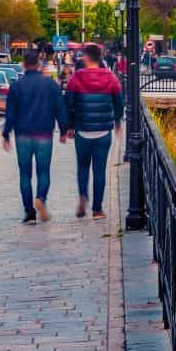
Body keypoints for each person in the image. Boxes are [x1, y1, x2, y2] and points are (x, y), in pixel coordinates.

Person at [2, 50, 69, 223]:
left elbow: (10, 113)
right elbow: (59, 108)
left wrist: (6, 134)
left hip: (23, 135)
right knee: (43, 171)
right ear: (38, 64)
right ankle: (41, 198)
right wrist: (63, 130)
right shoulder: (50, 84)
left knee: (25, 174)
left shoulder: (17, 86)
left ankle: (29, 212)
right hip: (44, 134)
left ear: (24, 65)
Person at [64, 43, 124, 219]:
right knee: (100, 170)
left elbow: (69, 104)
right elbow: (119, 102)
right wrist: (118, 119)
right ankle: (97, 210)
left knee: (83, 167)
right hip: (103, 131)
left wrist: (69, 126)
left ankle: (83, 196)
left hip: (82, 130)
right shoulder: (111, 78)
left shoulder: (76, 78)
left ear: (85, 57)